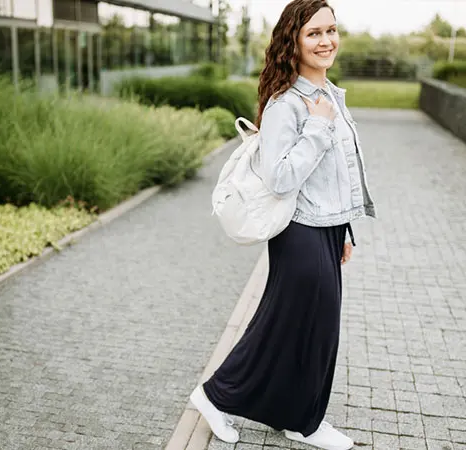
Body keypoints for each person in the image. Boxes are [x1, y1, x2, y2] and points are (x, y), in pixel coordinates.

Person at [189, 0, 376, 449]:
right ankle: (218, 397)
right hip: (299, 231)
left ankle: (294, 419)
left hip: (326, 229)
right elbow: (279, 176)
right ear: (293, 40)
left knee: (309, 328)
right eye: (314, 33)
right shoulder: (285, 105)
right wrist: (315, 130)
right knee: (290, 327)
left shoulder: (329, 95)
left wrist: (345, 229)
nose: (327, 40)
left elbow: (339, 174)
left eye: (332, 30)